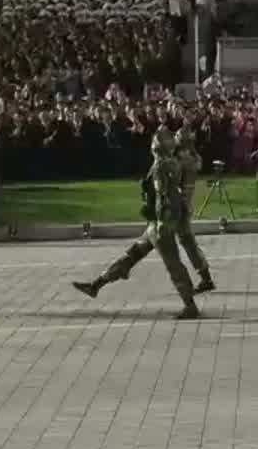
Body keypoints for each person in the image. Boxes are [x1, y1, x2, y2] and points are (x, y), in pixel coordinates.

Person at [72, 130, 200, 320]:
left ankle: (190, 305)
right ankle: (96, 285)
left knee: (173, 264)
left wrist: (162, 222)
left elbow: (162, 196)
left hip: (160, 223)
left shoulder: (159, 167)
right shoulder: (173, 163)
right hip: (159, 223)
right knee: (132, 254)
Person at [164, 105, 214, 294]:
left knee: (182, 241)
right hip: (185, 203)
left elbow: (174, 181)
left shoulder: (182, 159)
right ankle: (204, 277)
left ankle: (198, 280)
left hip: (178, 204)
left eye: (176, 137)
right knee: (187, 241)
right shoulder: (193, 157)